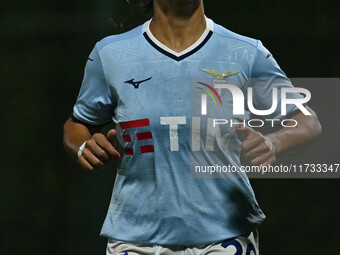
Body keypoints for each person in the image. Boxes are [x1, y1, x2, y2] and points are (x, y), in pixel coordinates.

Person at [63, 0, 322, 254]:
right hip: (135, 239)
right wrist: (83, 145)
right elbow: (78, 124)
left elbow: (308, 120)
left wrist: (273, 142)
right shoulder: (111, 54)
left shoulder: (245, 52)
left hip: (224, 237)